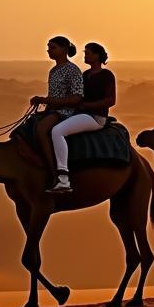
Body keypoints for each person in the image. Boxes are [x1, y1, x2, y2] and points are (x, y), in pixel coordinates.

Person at [47, 42, 116, 194]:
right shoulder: (85, 75)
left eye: (88, 53)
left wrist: (87, 106)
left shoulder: (106, 75)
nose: (85, 55)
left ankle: (63, 179)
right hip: (81, 114)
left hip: (95, 117)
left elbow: (111, 100)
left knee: (57, 131)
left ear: (97, 55)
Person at [30, 36, 83, 184]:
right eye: (48, 47)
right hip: (53, 110)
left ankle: (55, 171)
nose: (49, 50)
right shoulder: (53, 71)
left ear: (64, 49)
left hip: (66, 112)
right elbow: (53, 95)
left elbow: (76, 98)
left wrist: (46, 100)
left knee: (41, 129)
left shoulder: (73, 70)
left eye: (53, 47)